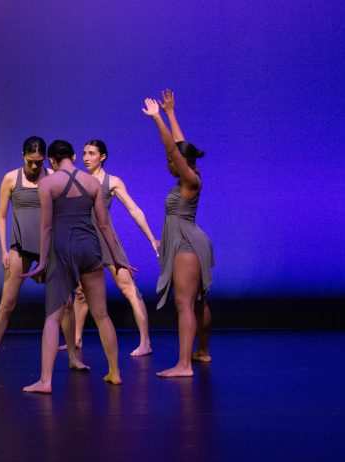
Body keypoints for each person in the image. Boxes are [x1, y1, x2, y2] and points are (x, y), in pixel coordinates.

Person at [23, 140, 135, 393]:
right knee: (102, 314)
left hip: (62, 249)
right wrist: (117, 257)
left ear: (51, 160)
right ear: (73, 156)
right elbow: (105, 225)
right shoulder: (93, 183)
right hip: (90, 247)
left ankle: (46, 381)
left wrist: (42, 261)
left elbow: (46, 226)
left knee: (53, 316)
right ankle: (115, 373)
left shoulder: (47, 183)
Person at [0, 137, 86, 372]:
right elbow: (1, 216)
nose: (35, 167)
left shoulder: (52, 177)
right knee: (7, 303)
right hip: (21, 246)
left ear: (45, 159)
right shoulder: (10, 178)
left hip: (51, 246)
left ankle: (73, 357)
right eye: (30, 161)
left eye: (38, 162)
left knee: (66, 303)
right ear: (23, 156)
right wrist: (4, 250)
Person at [141, 90, 213, 377]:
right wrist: (171, 113)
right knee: (198, 301)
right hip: (192, 240)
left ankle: (184, 365)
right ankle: (202, 351)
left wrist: (157, 118)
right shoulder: (194, 171)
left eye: (171, 162)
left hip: (186, 244)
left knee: (184, 304)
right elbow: (182, 147)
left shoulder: (190, 178)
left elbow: (174, 149)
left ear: (181, 165)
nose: (168, 164)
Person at [65, 140, 159, 356]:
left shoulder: (112, 181)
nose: (86, 157)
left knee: (129, 289)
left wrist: (151, 238)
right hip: (84, 240)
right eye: (84, 153)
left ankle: (145, 342)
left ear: (103, 157)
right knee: (80, 292)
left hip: (106, 239)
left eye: (92, 153)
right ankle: (76, 338)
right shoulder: (77, 179)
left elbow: (134, 209)